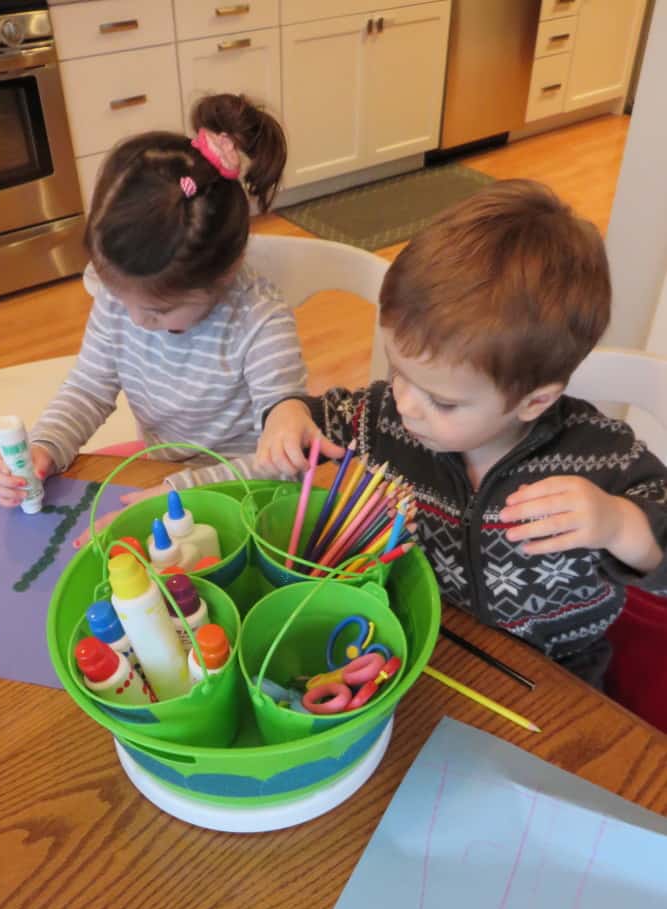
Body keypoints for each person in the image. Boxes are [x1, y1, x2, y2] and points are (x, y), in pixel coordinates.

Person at [257, 179, 667, 686]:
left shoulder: (603, 457)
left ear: (534, 400)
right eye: (397, 371)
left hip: (558, 674)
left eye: (443, 400)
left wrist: (619, 523)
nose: (404, 403)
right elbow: (320, 418)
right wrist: (288, 413)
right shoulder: (387, 417)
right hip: (428, 640)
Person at [0, 92, 306, 539]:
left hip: (240, 491)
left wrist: (178, 493)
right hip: (161, 470)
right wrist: (45, 447)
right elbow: (89, 387)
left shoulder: (260, 322)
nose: (135, 320)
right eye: (120, 299)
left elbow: (282, 464)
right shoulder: (122, 299)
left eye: (158, 311)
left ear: (225, 274)